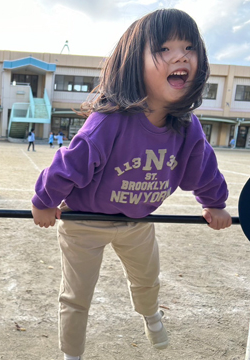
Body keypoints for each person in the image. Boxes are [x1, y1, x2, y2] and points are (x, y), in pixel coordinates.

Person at [30, 9, 232, 360]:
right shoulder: (108, 121)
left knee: (147, 279)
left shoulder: (187, 127)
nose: (180, 55)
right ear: (133, 62)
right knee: (76, 296)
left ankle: (151, 314)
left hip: (138, 222)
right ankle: (71, 355)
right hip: (84, 223)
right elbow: (71, 162)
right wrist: (44, 200)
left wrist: (215, 203)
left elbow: (204, 170)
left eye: (188, 47)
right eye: (165, 49)